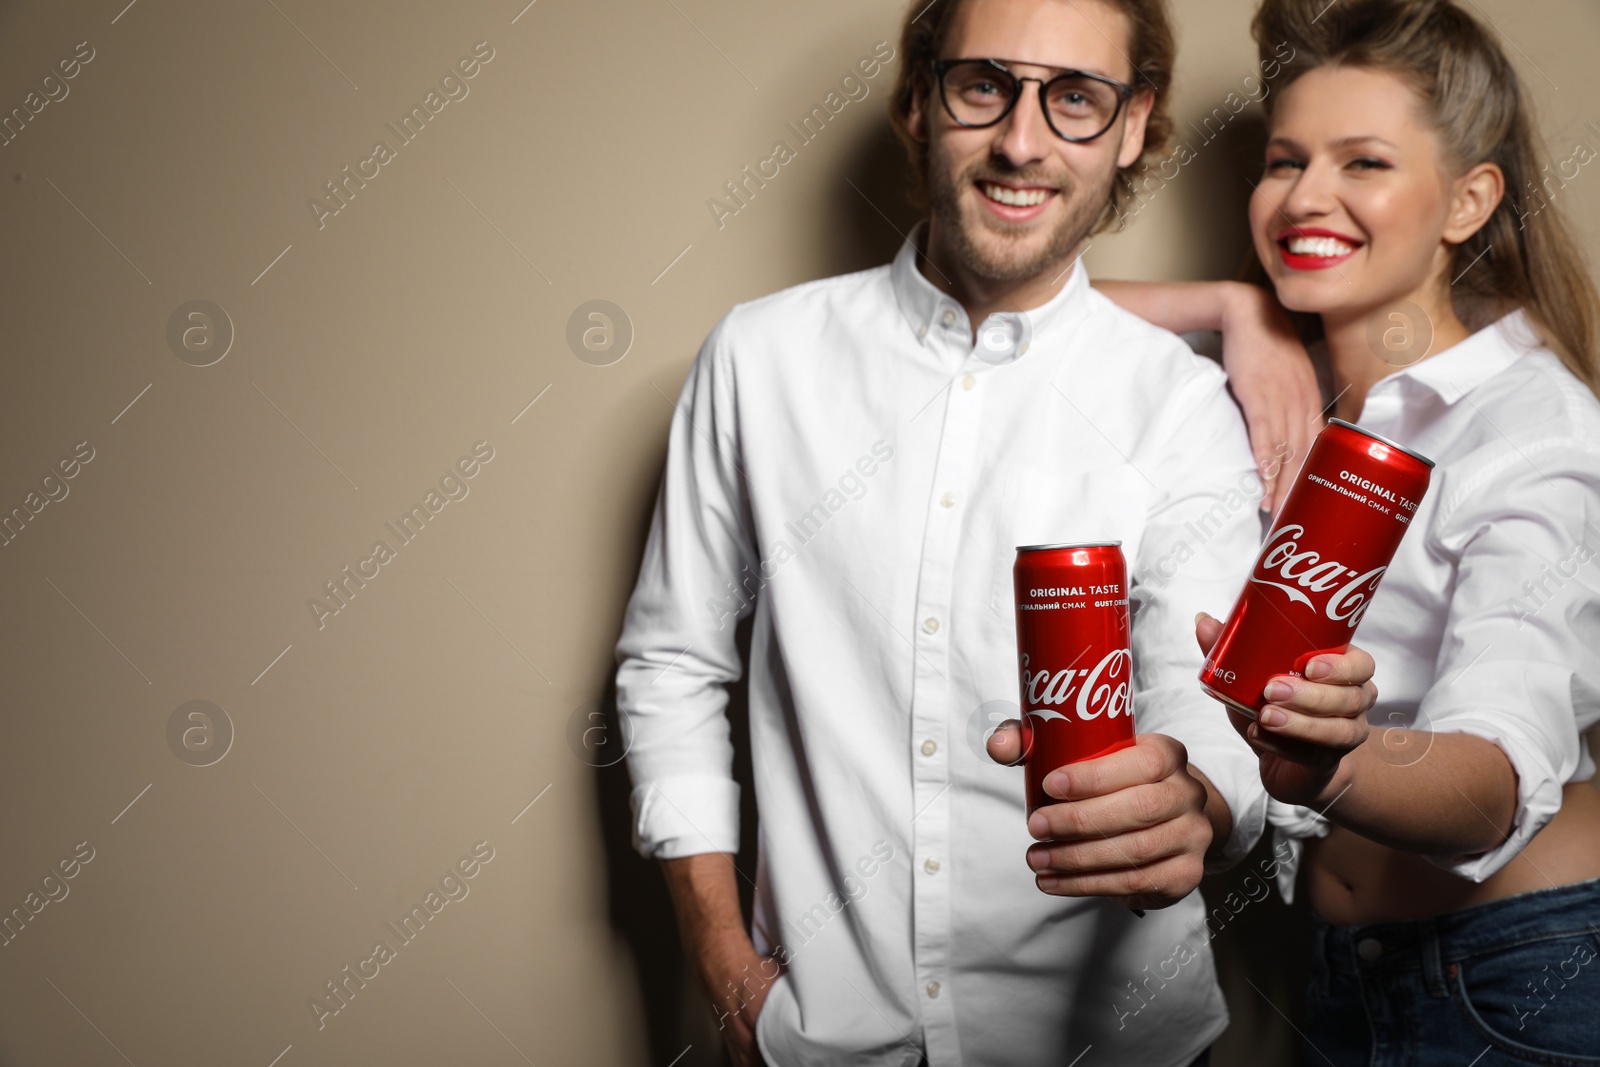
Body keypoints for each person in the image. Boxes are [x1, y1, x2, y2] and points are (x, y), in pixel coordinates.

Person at [611, 0, 1375, 1063]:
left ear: (1133, 125)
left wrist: (1191, 797)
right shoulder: (758, 362)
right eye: (985, 86)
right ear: (920, 99)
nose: (1022, 141)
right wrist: (726, 970)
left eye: (1074, 99)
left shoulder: (1179, 404)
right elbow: (670, 665)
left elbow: (1204, 691)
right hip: (826, 1041)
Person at [1092, 0, 1600, 1062]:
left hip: (1517, 972)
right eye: (1284, 160)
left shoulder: (1535, 427)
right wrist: (1234, 306)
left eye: (1361, 161)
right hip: (1336, 973)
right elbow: (1011, 331)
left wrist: (1330, 763)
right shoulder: (1283, 390)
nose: (1304, 196)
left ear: (1467, 199)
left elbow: (1498, 773)